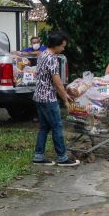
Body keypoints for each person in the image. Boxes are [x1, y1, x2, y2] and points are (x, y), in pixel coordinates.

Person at [32, 32, 79, 167]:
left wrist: (64, 94)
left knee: (44, 127)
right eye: (63, 46)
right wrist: (65, 99)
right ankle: (62, 157)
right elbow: (57, 82)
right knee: (57, 126)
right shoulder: (52, 58)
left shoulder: (42, 54)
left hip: (39, 96)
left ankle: (39, 156)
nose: (63, 49)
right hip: (48, 98)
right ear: (56, 45)